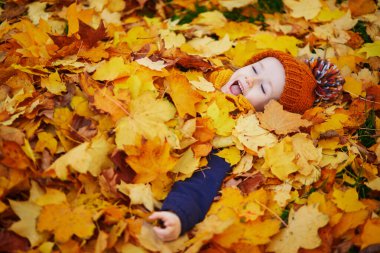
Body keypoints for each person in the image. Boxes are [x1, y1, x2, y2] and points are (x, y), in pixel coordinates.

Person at [148, 50, 344, 241]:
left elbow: (203, 181)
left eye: (264, 89)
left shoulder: (231, 136)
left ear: (267, 114)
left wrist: (178, 213)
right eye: (256, 69)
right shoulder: (205, 73)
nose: (251, 80)